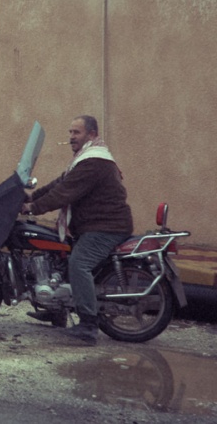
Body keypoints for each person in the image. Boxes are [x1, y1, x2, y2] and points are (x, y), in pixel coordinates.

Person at [21, 115, 133, 344]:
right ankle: (57, 310)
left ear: (91, 135)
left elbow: (65, 193)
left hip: (106, 227)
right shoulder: (84, 159)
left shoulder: (94, 162)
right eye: (70, 132)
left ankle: (88, 326)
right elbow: (59, 184)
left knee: (78, 264)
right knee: (57, 255)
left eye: (76, 133)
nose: (71, 137)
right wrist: (32, 196)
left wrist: (33, 208)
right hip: (95, 224)